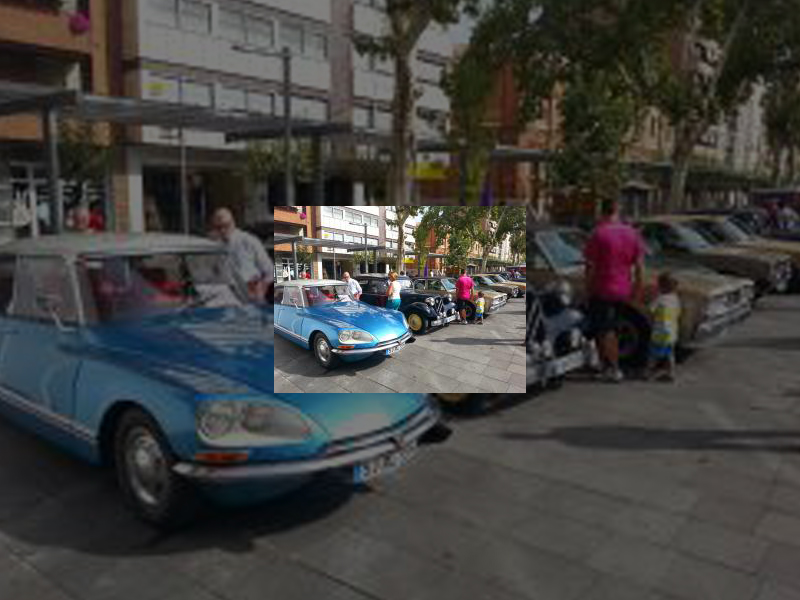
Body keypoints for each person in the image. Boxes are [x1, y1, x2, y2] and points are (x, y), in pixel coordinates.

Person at [584, 198, 646, 383]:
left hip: (603, 289)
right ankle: (607, 365)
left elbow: (590, 267)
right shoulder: (632, 234)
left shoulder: (598, 234)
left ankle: (612, 368)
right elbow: (640, 267)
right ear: (618, 212)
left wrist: (588, 288)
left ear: (602, 212)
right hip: (624, 288)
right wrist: (637, 289)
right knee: (615, 328)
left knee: (604, 330)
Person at [210, 208, 272, 301]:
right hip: (224, 297)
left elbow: (269, 271)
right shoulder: (213, 246)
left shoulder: (248, 241)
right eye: (218, 227)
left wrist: (260, 291)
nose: (223, 230)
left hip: (249, 294)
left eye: (226, 226)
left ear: (233, 223)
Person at [648, 272, 681, 382]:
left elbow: (651, 310)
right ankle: (670, 373)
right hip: (672, 332)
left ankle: (649, 372)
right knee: (669, 353)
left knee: (654, 354)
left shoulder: (660, 299)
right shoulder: (675, 299)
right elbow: (678, 313)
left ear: (661, 286)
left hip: (660, 332)